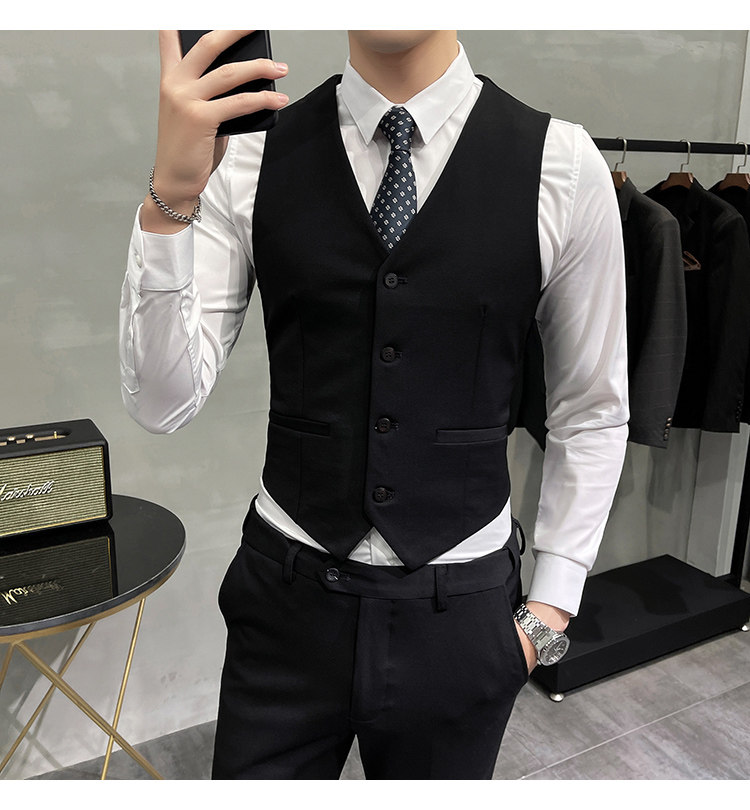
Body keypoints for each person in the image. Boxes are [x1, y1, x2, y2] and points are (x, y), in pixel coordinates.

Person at [120, 30, 629, 779]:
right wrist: (172, 199)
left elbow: (591, 409)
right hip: (285, 608)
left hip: (463, 617)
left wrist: (549, 613)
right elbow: (162, 403)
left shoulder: (563, 162)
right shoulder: (251, 157)